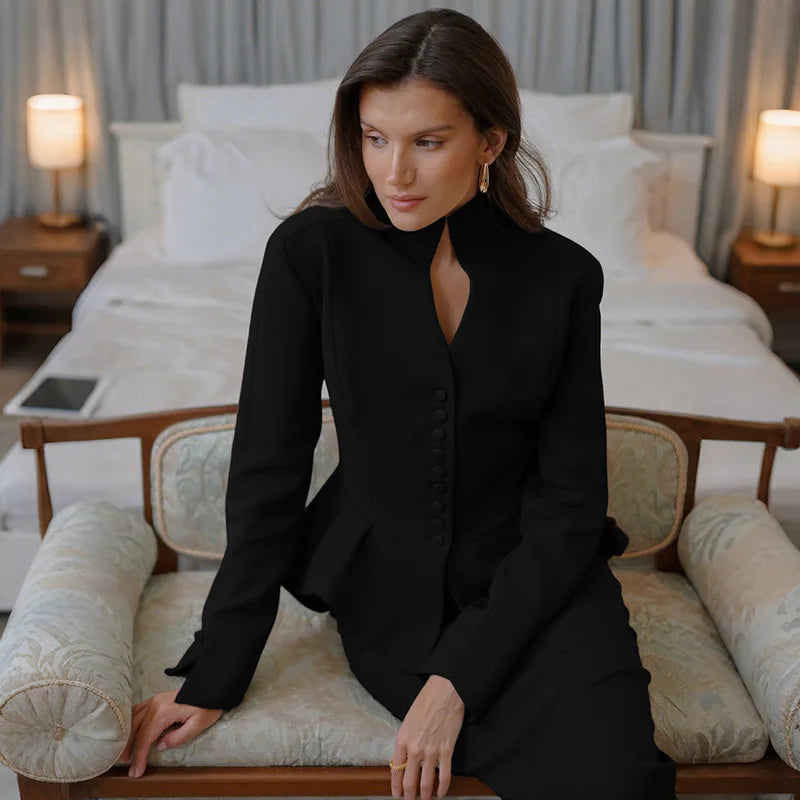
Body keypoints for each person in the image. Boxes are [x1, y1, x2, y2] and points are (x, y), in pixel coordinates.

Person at [122, 8, 678, 799]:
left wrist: (458, 681)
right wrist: (218, 671)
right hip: (388, 593)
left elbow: (571, 504)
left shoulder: (563, 278)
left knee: (621, 777)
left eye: (427, 141)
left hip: (541, 591)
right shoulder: (310, 256)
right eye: (374, 137)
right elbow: (267, 472)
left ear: (491, 142)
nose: (394, 174)